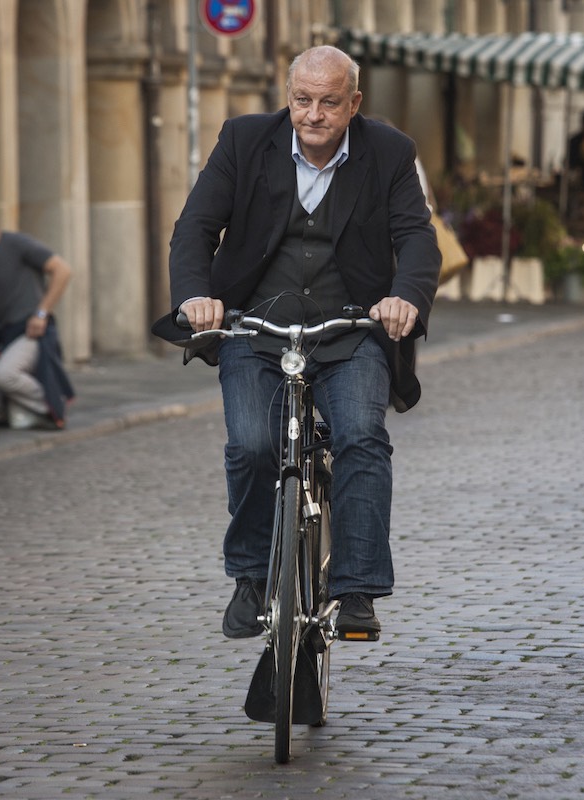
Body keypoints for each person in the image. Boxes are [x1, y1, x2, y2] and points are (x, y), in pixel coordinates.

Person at [152, 45, 441, 640]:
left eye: (329, 103)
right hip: (255, 326)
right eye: (302, 100)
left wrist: (404, 297)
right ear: (288, 97)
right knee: (254, 444)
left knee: (362, 437)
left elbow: (416, 237)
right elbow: (195, 229)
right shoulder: (243, 140)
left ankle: (356, 592)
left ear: (353, 103)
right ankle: (252, 577)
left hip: (351, 327)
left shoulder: (389, 151)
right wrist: (195, 298)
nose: (313, 114)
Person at [0, 195, 74, 430]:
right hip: (4, 335)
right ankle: (16, 410)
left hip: (31, 332)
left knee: (3, 375)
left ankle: (51, 403)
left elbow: (62, 270)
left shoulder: (17, 244)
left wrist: (41, 314)